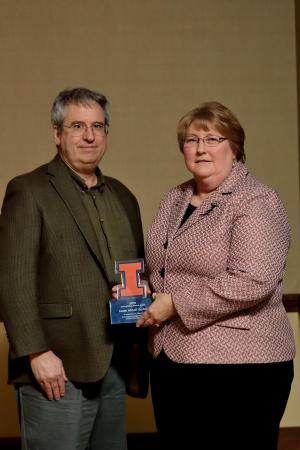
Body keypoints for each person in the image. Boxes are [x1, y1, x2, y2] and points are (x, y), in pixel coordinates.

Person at [136, 101, 296, 450]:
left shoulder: (255, 200)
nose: (201, 148)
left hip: (241, 368)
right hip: (173, 358)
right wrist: (138, 293)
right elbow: (162, 267)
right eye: (192, 141)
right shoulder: (174, 198)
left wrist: (175, 304)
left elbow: (253, 280)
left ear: (234, 147)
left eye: (212, 138)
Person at [0, 87, 146, 450]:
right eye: (77, 125)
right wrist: (36, 352)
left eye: (98, 126)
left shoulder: (124, 197)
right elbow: (12, 279)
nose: (89, 135)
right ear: (57, 134)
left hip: (114, 362)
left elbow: (135, 271)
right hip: (55, 364)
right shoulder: (29, 190)